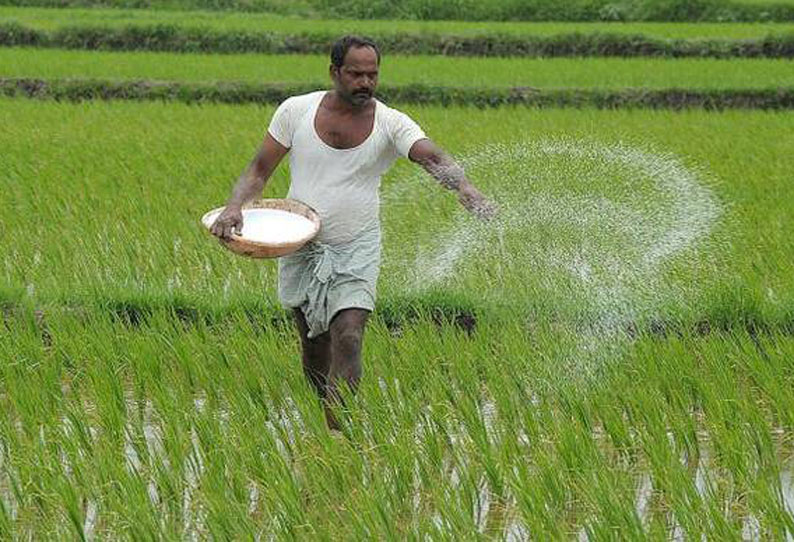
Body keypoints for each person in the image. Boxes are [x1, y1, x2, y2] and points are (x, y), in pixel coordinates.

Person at [211, 35, 494, 429]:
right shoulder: (296, 111)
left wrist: (465, 188)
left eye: (372, 75)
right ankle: (324, 416)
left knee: (348, 334)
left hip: (356, 244)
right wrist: (234, 207)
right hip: (300, 244)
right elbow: (259, 170)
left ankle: (339, 432)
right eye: (356, 74)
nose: (365, 82)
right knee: (314, 346)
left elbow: (431, 156)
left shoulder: (391, 123)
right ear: (334, 72)